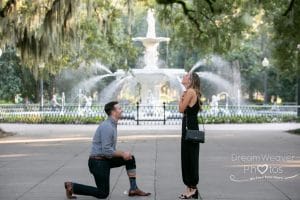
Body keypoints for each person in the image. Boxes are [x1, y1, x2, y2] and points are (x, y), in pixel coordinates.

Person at [64, 101, 151, 199]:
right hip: (98, 162)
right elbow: (106, 151)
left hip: (105, 159)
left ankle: (133, 188)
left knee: (130, 158)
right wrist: (122, 153)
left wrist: (124, 155)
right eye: (119, 108)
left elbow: (108, 151)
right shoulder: (107, 126)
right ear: (113, 112)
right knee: (103, 193)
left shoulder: (112, 124)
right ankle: (72, 186)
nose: (122, 110)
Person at [178, 72, 203, 199]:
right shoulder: (191, 91)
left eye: (186, 75)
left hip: (189, 127)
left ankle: (192, 188)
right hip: (191, 125)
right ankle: (189, 187)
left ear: (190, 80)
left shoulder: (190, 92)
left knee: (189, 157)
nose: (183, 76)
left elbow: (181, 109)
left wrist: (181, 98)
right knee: (189, 156)